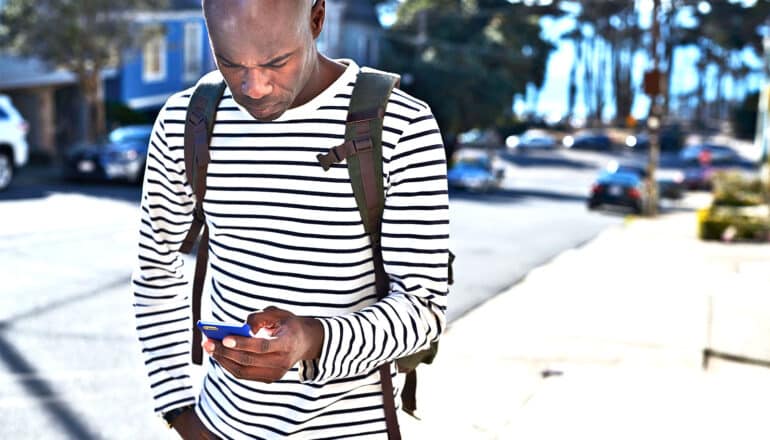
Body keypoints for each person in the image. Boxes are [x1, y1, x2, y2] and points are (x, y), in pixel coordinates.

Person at [130, 0, 450, 438]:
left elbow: (424, 310)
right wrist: (179, 413)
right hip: (218, 426)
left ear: (316, 18)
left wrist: (312, 340)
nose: (254, 86)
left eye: (276, 62)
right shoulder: (187, 121)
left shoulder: (401, 125)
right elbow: (155, 272)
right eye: (229, 62)